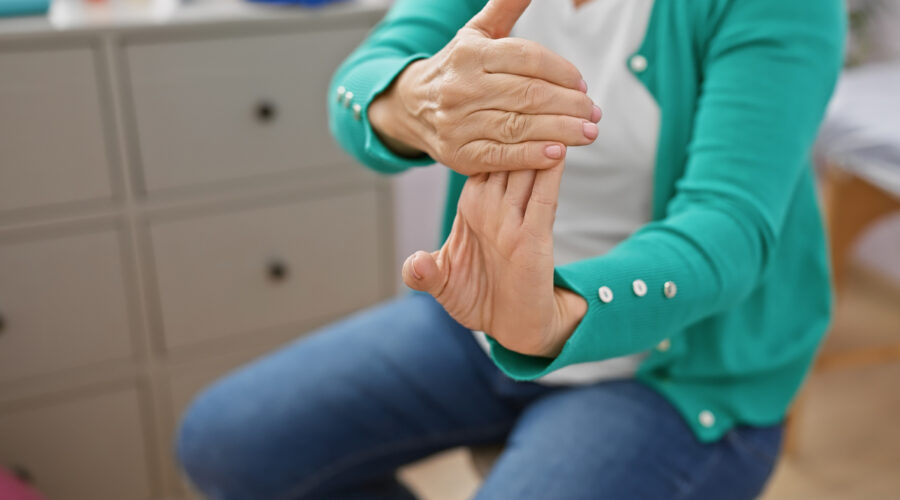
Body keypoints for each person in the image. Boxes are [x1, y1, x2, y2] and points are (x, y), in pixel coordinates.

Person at [176, 0, 846, 498]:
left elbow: (728, 232)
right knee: (225, 443)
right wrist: (415, 101)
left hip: (675, 376)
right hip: (479, 324)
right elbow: (357, 86)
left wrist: (552, 314)